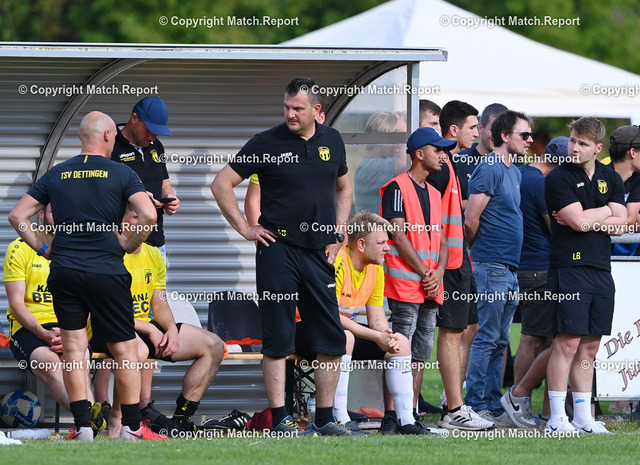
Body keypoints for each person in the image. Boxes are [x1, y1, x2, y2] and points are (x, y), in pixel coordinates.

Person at [211, 77, 354, 436]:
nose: (290, 114)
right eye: (287, 107)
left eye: (298, 109)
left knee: (333, 337)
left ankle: (324, 419)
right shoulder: (265, 142)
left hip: (319, 253)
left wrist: (338, 233)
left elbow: (344, 186)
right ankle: (280, 419)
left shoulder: (333, 141)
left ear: (317, 111)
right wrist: (247, 228)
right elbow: (221, 183)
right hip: (278, 251)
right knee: (278, 337)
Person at [8, 111, 161, 441]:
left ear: (81, 137)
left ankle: (84, 429)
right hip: (106, 271)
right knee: (125, 350)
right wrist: (128, 243)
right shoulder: (122, 172)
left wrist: (43, 248)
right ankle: (131, 428)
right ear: (107, 136)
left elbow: (17, 215)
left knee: (75, 349)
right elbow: (149, 215)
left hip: (64, 271)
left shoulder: (57, 173)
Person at [92, 207, 225, 438]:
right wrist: (149, 329)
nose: (144, 222)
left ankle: (180, 421)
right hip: (107, 327)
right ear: (120, 221)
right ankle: (118, 419)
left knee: (214, 346)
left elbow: (160, 302)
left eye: (147, 218)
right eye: (136, 217)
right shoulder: (106, 253)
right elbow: (105, 309)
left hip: (143, 327)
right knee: (139, 351)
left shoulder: (154, 254)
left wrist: (171, 328)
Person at [295, 211, 430, 434]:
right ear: (360, 244)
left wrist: (385, 335)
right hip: (303, 329)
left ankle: (406, 421)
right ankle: (339, 417)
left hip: (339, 334)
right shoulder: (337, 260)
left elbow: (376, 318)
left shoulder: (376, 268)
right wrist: (375, 336)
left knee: (401, 342)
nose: (387, 248)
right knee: (344, 337)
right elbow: (330, 316)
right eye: (381, 242)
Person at [543, 117, 626, 433]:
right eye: (573, 140)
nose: (574, 148)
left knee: (590, 347)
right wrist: (606, 211)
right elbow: (578, 223)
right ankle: (556, 419)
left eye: (582, 143)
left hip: (600, 268)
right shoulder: (558, 177)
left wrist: (594, 215)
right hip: (569, 267)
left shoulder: (610, 176)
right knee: (567, 343)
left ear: (598, 148)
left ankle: (582, 417)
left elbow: (622, 222)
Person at [3, 204, 106, 435]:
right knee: (51, 364)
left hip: (71, 325)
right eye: (54, 211)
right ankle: (90, 419)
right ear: (41, 214)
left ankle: (89, 423)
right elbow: (17, 304)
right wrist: (44, 334)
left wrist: (71, 331)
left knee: (78, 362)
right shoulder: (19, 248)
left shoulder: (79, 251)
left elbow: (89, 301)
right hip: (30, 328)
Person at [423, 101, 493, 430]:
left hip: (460, 258)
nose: (477, 133)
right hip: (447, 264)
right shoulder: (439, 166)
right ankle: (453, 409)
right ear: (454, 130)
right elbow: (430, 219)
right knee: (451, 332)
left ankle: (453, 402)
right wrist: (438, 263)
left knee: (470, 327)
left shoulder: (451, 163)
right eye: (472, 127)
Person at [379, 126, 449, 429]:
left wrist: (439, 273)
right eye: (438, 150)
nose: (443, 156)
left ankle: (411, 414)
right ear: (419, 154)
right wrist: (426, 274)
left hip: (430, 287)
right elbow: (398, 235)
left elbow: (442, 240)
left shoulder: (434, 192)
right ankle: (391, 416)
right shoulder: (396, 187)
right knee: (399, 349)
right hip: (407, 285)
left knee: (420, 353)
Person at [464, 110, 531, 426]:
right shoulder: (490, 168)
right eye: (524, 135)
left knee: (500, 340)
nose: (530, 140)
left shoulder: (514, 172)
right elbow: (470, 219)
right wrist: (479, 254)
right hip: (491, 266)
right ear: (505, 136)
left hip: (509, 268)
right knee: (487, 337)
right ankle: (475, 404)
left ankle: (490, 403)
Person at [500, 137, 565, 429]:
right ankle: (518, 402)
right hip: (538, 268)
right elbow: (556, 227)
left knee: (540, 337)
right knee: (534, 338)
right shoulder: (541, 183)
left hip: (521, 265)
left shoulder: (521, 173)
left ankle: (529, 404)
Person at [111, 97, 180, 258]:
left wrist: (170, 197)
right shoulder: (110, 143)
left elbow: (164, 183)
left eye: (157, 133)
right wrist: (139, 199)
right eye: (149, 130)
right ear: (134, 118)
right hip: (123, 242)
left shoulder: (157, 146)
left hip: (155, 243)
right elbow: (99, 189)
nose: (152, 137)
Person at [354, 111, 408, 213]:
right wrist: (404, 132)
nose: (397, 146)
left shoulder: (371, 165)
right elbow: (405, 163)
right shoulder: (369, 168)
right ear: (381, 140)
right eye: (394, 140)